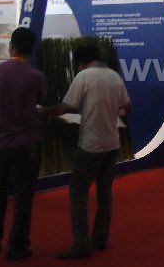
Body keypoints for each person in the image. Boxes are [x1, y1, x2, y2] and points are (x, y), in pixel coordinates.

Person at [41, 44, 132, 259]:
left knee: (78, 192)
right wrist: (112, 113)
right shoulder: (114, 76)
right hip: (112, 143)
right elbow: (128, 107)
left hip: (91, 144)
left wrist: (43, 111)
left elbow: (65, 107)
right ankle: (100, 239)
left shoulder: (83, 77)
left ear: (81, 63)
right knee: (104, 193)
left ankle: (81, 244)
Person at [0, 27, 46, 261]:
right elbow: (39, 102)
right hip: (28, 144)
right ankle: (17, 245)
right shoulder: (36, 76)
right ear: (31, 49)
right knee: (23, 197)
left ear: (11, 46)